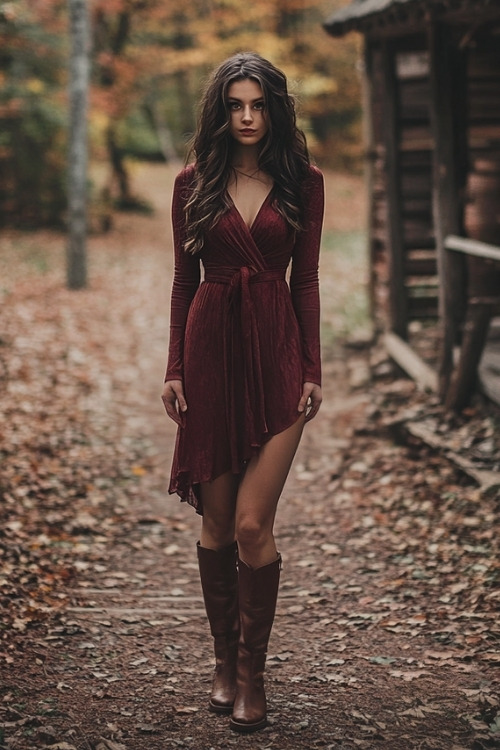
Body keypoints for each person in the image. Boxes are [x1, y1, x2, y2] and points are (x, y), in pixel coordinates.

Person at [162, 51, 324, 733]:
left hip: (279, 352)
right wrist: (174, 366)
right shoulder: (193, 181)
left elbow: (306, 280)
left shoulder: (303, 180)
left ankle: (253, 676)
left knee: (255, 526)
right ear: (221, 110)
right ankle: (224, 665)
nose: (249, 117)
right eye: (236, 105)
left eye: (259, 104)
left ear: (276, 107)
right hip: (210, 353)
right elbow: (183, 279)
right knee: (218, 523)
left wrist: (313, 367)